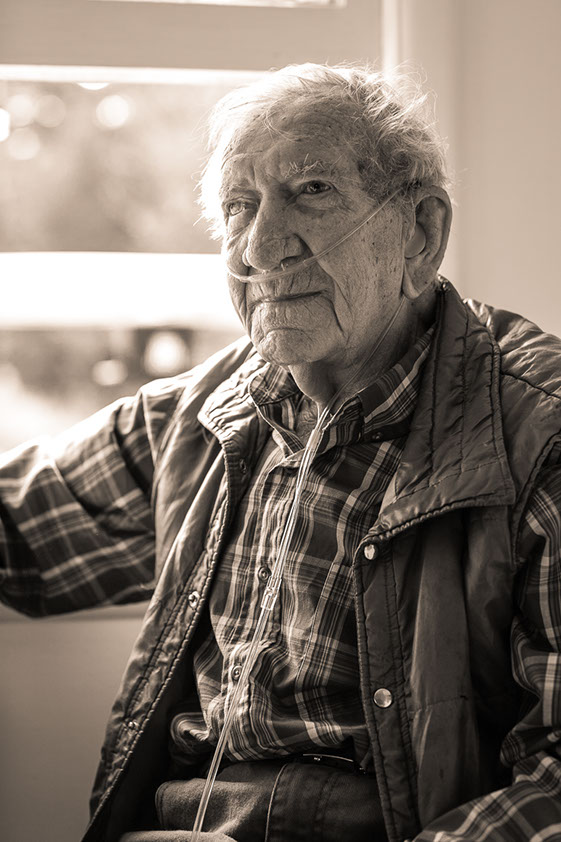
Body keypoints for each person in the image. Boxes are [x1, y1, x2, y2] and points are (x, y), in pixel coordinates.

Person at [2, 63, 561, 842]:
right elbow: (19, 531)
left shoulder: (538, 430)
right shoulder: (211, 413)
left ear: (421, 231)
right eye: (239, 206)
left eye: (312, 191)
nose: (260, 248)